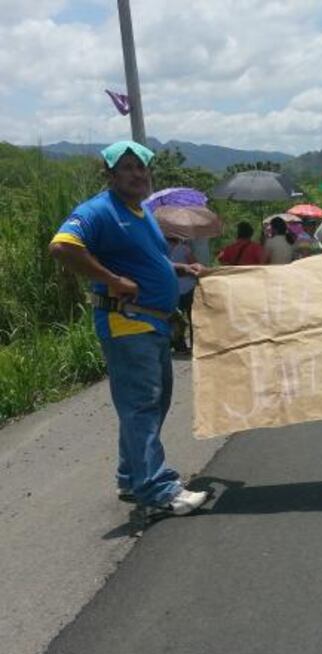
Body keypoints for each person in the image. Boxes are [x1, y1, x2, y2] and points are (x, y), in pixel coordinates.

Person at [48, 140, 208, 516]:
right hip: (127, 321)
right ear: (110, 174)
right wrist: (112, 279)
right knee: (142, 406)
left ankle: (131, 476)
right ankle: (158, 489)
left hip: (151, 323)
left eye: (142, 167)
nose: (138, 174)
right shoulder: (100, 210)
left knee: (152, 403)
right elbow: (62, 247)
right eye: (127, 167)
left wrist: (181, 269)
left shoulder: (140, 213)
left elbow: (148, 261)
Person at [167, 236, 197, 353]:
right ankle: (195, 345)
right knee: (193, 319)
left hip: (173, 288)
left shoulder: (162, 249)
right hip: (189, 287)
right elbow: (194, 265)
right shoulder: (185, 249)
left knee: (176, 319)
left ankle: (179, 345)